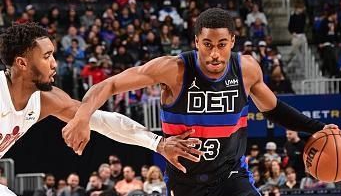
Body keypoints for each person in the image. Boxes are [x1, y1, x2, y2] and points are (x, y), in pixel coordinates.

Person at [63, 8, 338, 196]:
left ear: (233, 41)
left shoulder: (247, 70)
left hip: (231, 176)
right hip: (186, 181)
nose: (215, 53)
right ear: (196, 41)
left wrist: (318, 128)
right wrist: (82, 117)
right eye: (207, 44)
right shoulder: (173, 69)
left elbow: (274, 109)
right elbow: (108, 84)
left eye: (222, 44)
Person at [0, 23, 201, 196]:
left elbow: (104, 122)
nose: (54, 63)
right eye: (46, 56)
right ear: (22, 63)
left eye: (53, 54)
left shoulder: (45, 99)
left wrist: (158, 144)